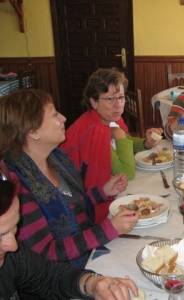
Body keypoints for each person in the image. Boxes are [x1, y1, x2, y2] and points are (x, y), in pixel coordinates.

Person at [0, 89, 138, 267]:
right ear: (33, 131)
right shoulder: (17, 186)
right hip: (65, 277)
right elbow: (48, 252)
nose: (63, 118)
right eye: (54, 115)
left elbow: (73, 207)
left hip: (90, 252)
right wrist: (109, 229)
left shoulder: (57, 158)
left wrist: (102, 192)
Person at [0, 168, 138, 300]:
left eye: (14, 228)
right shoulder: (24, 181)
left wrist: (91, 284)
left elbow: (50, 276)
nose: (13, 246)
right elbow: (49, 252)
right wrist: (106, 230)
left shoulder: (13, 258)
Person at [60, 68, 163, 223]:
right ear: (94, 102)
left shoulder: (109, 118)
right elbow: (126, 173)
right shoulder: (94, 131)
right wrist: (120, 138)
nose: (118, 105)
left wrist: (145, 143)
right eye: (110, 99)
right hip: (90, 213)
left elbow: (126, 142)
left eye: (121, 97)